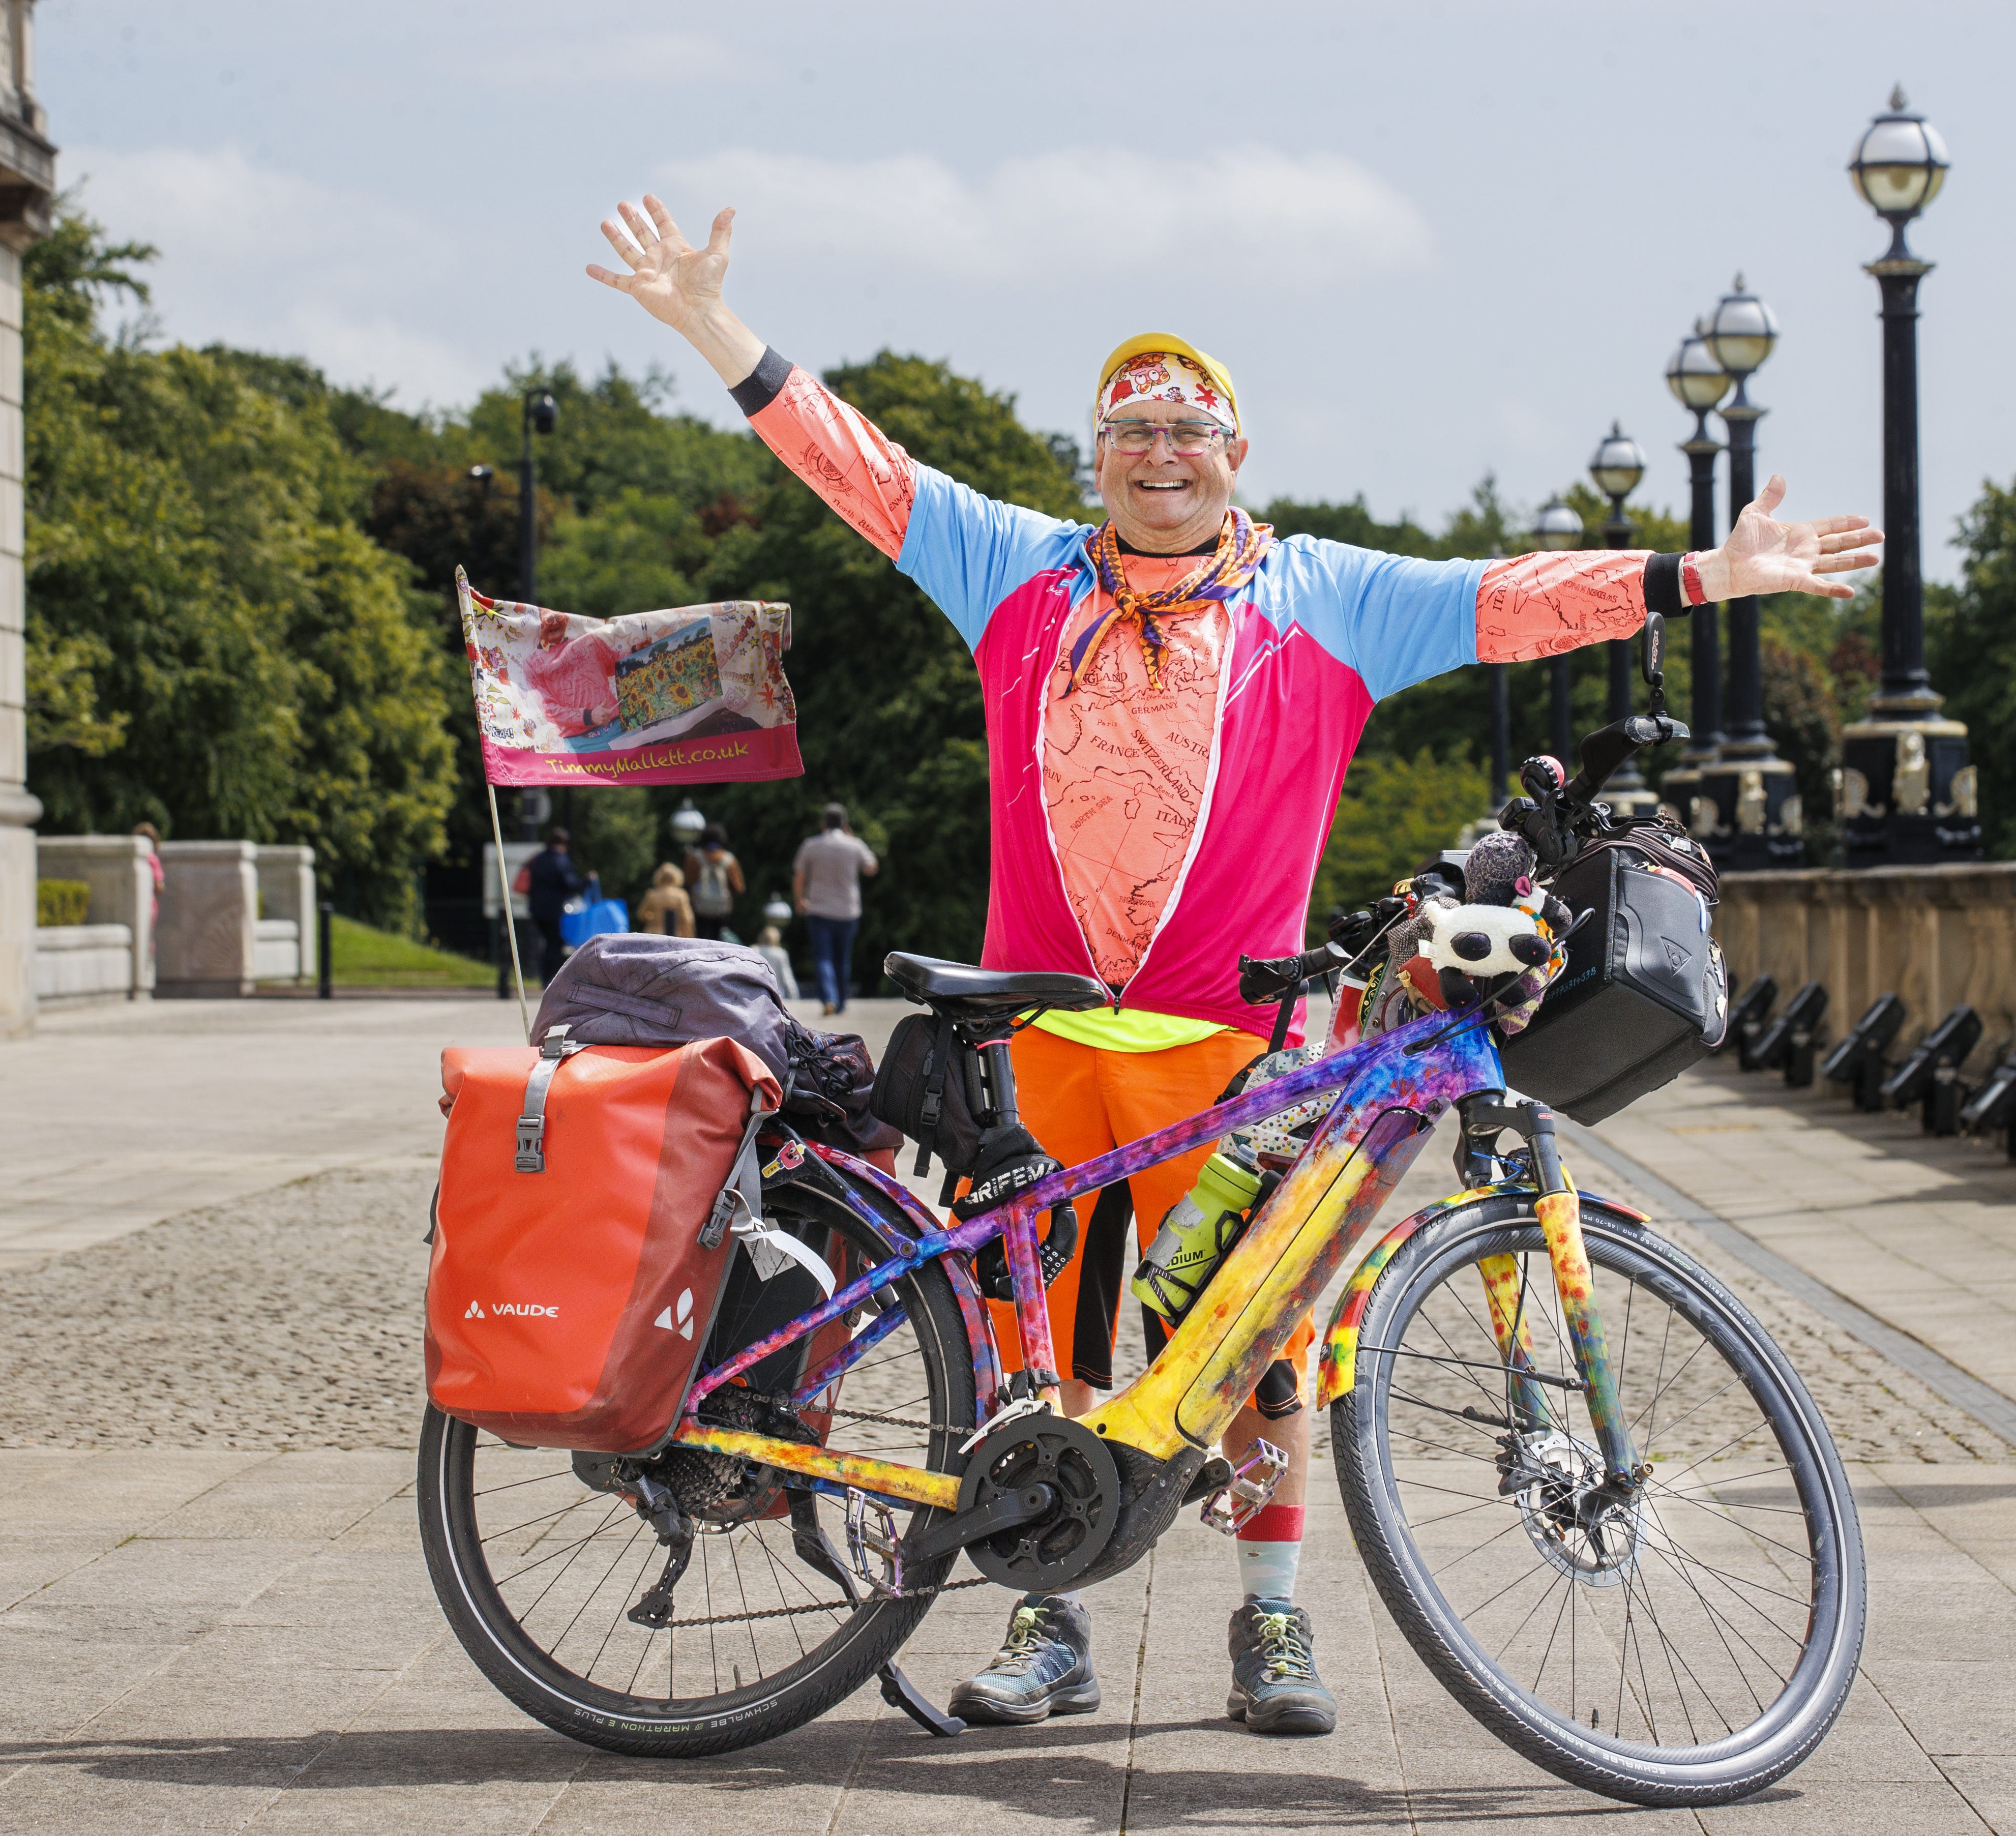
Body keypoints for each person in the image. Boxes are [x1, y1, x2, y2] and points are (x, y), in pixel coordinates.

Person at [588, 195, 1881, 1737]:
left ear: (1234, 456)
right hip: (1047, 1042)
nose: (1157, 452)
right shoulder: (1013, 569)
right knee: (1043, 1346)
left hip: (1233, 1050)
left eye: (1187, 428)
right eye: (1128, 428)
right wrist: (709, 327)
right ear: (1097, 457)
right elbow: (856, 468)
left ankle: (1270, 1621)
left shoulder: (1321, 594)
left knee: (1260, 1344)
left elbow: (1509, 597)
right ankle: (1042, 1616)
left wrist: (1699, 578)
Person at [791, 804, 877, 1016]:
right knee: (842, 957)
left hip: (819, 909)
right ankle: (841, 1002)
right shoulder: (854, 844)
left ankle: (829, 998)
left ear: (823, 823)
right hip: (848, 911)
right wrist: (853, 838)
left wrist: (800, 899)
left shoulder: (812, 845)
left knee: (823, 957)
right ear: (845, 823)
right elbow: (871, 868)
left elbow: (799, 876)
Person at [524, 826, 584, 989]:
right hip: (552, 910)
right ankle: (549, 979)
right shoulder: (560, 860)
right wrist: (586, 881)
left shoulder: (540, 858)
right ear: (563, 844)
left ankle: (543, 977)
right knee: (555, 944)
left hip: (536, 908)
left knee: (547, 942)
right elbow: (569, 883)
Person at [683, 822, 745, 940]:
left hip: (700, 908)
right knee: (720, 940)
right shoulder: (729, 860)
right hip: (722, 909)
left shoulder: (694, 858)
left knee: (701, 940)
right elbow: (739, 888)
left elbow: (688, 883)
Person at [635, 863, 695, 937]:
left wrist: (651, 917)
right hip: (675, 933)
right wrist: (690, 936)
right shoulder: (681, 895)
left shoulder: (652, 895)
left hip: (654, 933)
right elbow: (687, 918)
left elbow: (641, 915)